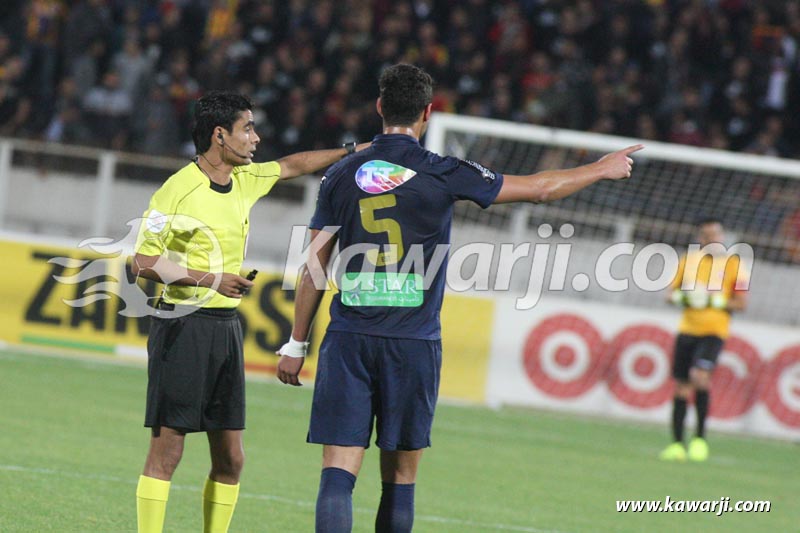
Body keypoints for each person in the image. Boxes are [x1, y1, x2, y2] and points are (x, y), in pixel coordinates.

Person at [275, 63, 642, 533]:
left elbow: (313, 265)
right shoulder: (444, 171)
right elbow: (541, 189)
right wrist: (601, 167)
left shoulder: (340, 174)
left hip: (349, 338)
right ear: (429, 112)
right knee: (401, 477)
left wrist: (296, 343)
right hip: (413, 343)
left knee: (338, 471)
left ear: (380, 107)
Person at [131, 90, 367, 533]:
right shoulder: (177, 190)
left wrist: (353, 152)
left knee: (231, 459)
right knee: (168, 454)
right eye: (248, 129)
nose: (256, 139)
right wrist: (211, 280)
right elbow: (141, 262)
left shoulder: (245, 179)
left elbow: (295, 164)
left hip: (225, 330)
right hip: (181, 325)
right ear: (220, 135)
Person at [660, 219, 749, 463]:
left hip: (714, 332)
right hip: (688, 329)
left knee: (700, 378)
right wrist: (687, 298)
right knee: (681, 387)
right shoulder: (687, 262)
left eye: (716, 235)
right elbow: (669, 295)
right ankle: (677, 445)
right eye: (707, 236)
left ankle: (699, 439)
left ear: (722, 236)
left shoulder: (734, 265)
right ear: (701, 238)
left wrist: (713, 301)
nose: (712, 240)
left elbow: (741, 303)